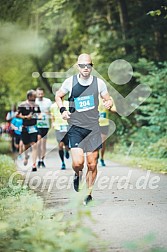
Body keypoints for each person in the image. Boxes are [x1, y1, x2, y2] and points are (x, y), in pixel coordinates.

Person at [55, 53, 114, 205]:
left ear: (92, 66)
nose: (85, 68)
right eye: (82, 65)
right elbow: (58, 95)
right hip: (75, 128)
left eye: (88, 65)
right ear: (78, 66)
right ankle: (77, 174)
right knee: (78, 163)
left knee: (92, 164)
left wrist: (108, 103)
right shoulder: (70, 82)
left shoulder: (99, 83)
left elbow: (108, 98)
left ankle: (88, 194)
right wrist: (62, 110)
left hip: (93, 128)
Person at [17, 90, 41, 172]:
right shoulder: (22, 105)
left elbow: (39, 113)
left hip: (33, 128)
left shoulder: (36, 105)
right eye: (34, 96)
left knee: (34, 145)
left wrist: (40, 116)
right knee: (26, 146)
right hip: (25, 128)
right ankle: (26, 156)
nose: (35, 98)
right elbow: (17, 115)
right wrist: (26, 117)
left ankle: (34, 164)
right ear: (29, 96)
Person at [50, 100, 70, 170]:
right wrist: (52, 123)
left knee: (67, 145)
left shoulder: (67, 103)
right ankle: (63, 163)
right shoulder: (53, 106)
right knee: (60, 145)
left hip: (67, 126)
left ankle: (67, 150)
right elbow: (52, 115)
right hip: (58, 127)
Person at [35, 87, 52, 168]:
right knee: (38, 142)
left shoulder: (48, 101)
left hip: (45, 124)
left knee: (43, 144)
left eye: (41, 94)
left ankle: (42, 160)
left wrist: (48, 113)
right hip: (37, 124)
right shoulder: (34, 102)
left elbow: (52, 112)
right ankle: (38, 159)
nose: (40, 95)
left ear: (43, 94)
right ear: (36, 94)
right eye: (39, 94)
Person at [98, 97, 117, 166]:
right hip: (94, 124)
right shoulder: (92, 96)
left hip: (104, 124)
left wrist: (109, 108)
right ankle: (95, 157)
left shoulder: (109, 99)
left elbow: (114, 110)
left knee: (103, 142)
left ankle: (102, 158)